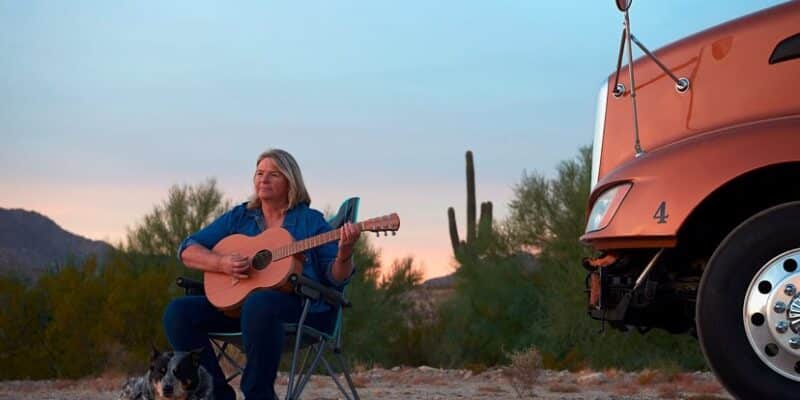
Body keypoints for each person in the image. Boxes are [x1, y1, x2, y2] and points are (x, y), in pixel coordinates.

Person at [163, 148, 360, 400]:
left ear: (291, 181)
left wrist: (345, 252)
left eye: (273, 174)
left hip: (304, 310)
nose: (263, 179)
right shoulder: (240, 216)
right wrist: (221, 263)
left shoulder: (310, 222)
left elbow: (337, 278)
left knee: (260, 302)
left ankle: (259, 395)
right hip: (242, 309)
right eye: (259, 173)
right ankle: (215, 394)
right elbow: (187, 249)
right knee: (177, 313)